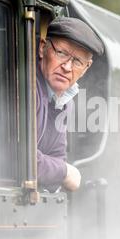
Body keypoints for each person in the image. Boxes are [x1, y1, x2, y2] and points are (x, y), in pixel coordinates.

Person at [36, 17, 104, 192]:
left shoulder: (65, 101)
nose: (67, 67)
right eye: (62, 53)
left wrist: (55, 171)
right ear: (42, 47)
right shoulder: (28, 86)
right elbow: (16, 157)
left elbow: (57, 156)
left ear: (86, 68)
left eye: (77, 62)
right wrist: (65, 172)